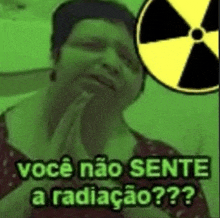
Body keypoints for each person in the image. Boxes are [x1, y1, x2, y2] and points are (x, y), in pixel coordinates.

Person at [0, 0, 211, 217]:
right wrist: (39, 183)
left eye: (129, 61)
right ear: (55, 56)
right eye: (91, 45)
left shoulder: (163, 164)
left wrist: (103, 184)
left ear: (138, 91)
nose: (111, 62)